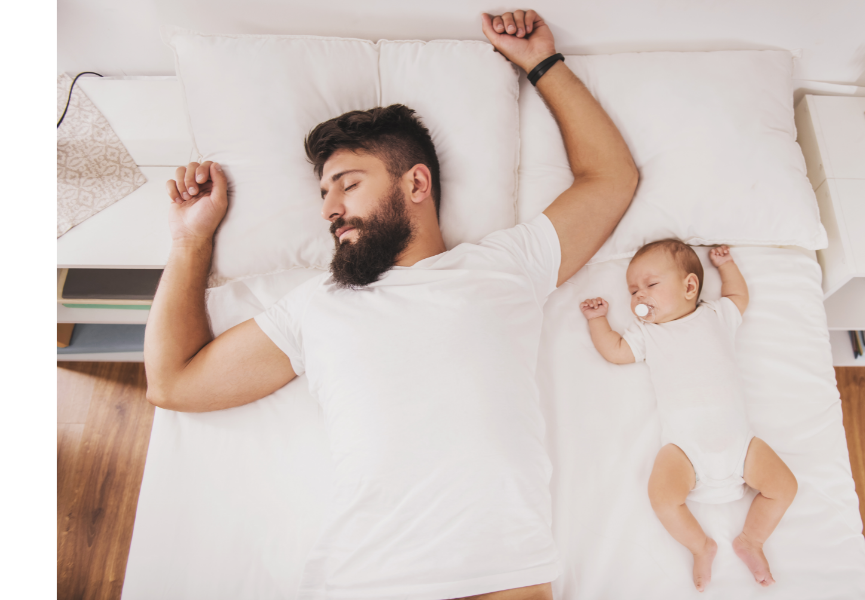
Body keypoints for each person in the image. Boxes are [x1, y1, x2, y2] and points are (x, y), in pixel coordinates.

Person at [145, 10, 638, 600]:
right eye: (324, 193)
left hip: (504, 574)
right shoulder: (315, 307)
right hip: (371, 576)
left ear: (417, 184)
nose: (330, 208)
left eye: (348, 184)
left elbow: (610, 177)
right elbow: (174, 383)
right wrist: (190, 240)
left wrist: (543, 64)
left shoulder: (505, 265)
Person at [579, 242, 798, 592]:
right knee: (662, 498)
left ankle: (752, 540)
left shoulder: (715, 315)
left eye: (650, 285)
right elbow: (616, 352)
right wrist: (598, 321)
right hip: (685, 450)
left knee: (785, 487)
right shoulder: (646, 333)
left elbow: (739, 295)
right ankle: (701, 546)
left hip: (741, 446)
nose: (639, 295)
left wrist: (726, 265)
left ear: (690, 286)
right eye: (633, 290)